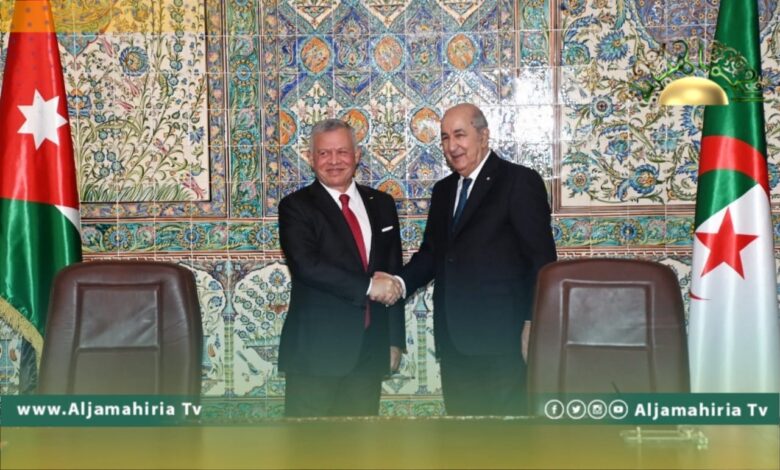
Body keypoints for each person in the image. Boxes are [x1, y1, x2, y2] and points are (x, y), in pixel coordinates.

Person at [388, 103, 557, 415]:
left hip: (504, 341)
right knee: (462, 436)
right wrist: (398, 283)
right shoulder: (444, 191)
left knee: (507, 436)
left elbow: (542, 261)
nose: (452, 146)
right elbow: (432, 254)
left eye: (460, 135)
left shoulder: (518, 181)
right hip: (454, 341)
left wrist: (532, 322)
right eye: (445, 138)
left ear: (484, 135)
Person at [277, 118, 405, 417]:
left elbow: (393, 271)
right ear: (311, 158)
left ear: (357, 155)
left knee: (363, 442)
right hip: (315, 355)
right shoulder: (295, 207)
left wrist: (394, 340)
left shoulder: (382, 204)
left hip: (370, 352)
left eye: (342, 152)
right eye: (324, 153)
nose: (334, 161)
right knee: (309, 442)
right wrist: (369, 287)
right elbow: (307, 266)